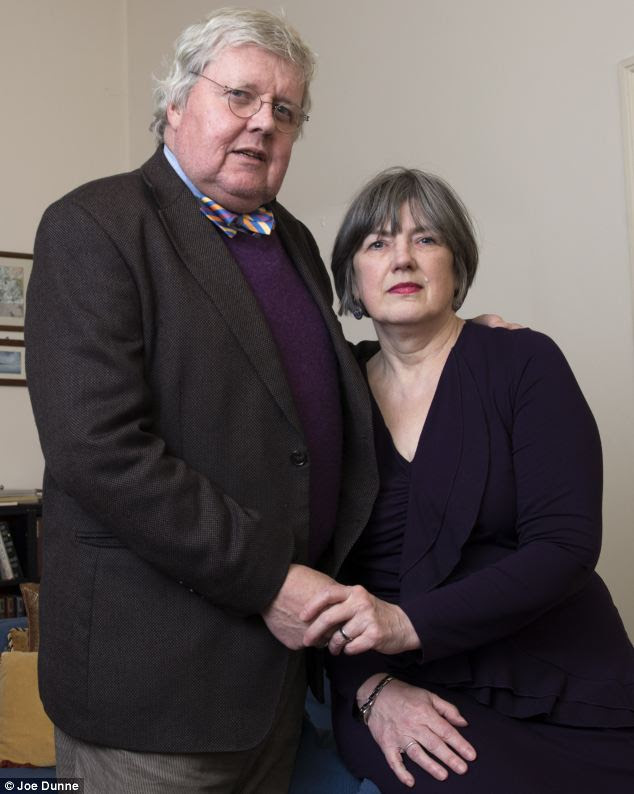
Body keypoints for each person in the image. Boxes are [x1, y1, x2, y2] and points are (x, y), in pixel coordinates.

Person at [25, 9, 379, 793]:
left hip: (276, 685)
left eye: (285, 111)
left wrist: (442, 345)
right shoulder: (96, 225)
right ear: (176, 104)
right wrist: (270, 581)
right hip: (152, 695)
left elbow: (293, 389)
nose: (264, 123)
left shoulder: (289, 240)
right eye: (242, 96)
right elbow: (98, 448)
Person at [301, 167, 634, 792]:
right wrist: (372, 689)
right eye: (376, 244)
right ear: (352, 278)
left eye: (425, 238)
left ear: (457, 263)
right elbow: (315, 572)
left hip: (559, 675)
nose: (401, 256)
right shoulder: (330, 395)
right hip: (402, 688)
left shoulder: (523, 361)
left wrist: (407, 625)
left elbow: (564, 546)